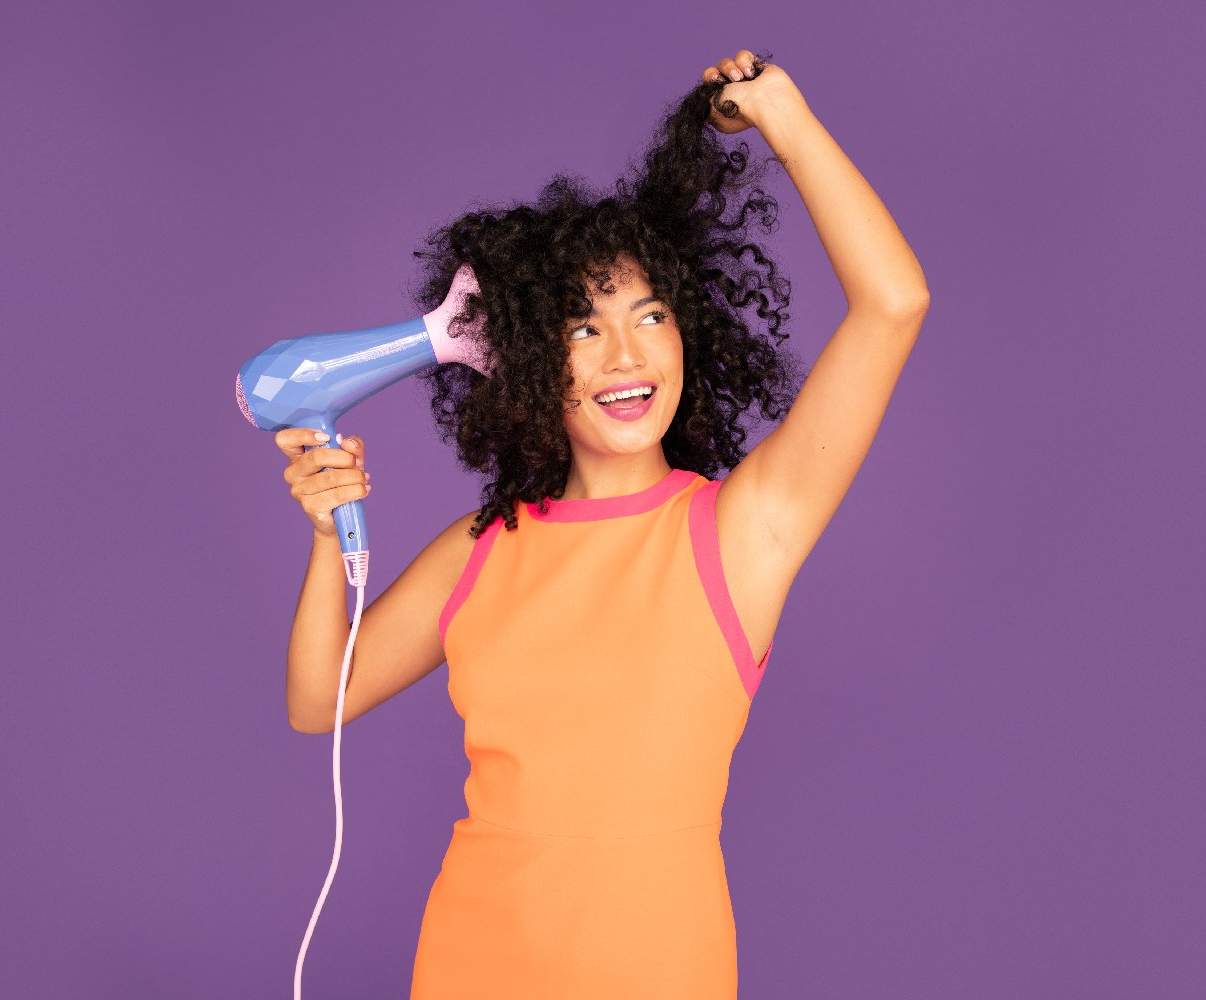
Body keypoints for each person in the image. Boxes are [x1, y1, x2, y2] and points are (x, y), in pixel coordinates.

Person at [276, 49, 928, 1000]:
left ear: (686, 333)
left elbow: (893, 303)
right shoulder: (479, 549)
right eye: (583, 327)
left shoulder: (740, 531)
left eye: (649, 314)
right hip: (467, 967)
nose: (626, 353)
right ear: (535, 360)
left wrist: (783, 116)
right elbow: (314, 704)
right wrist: (328, 536)